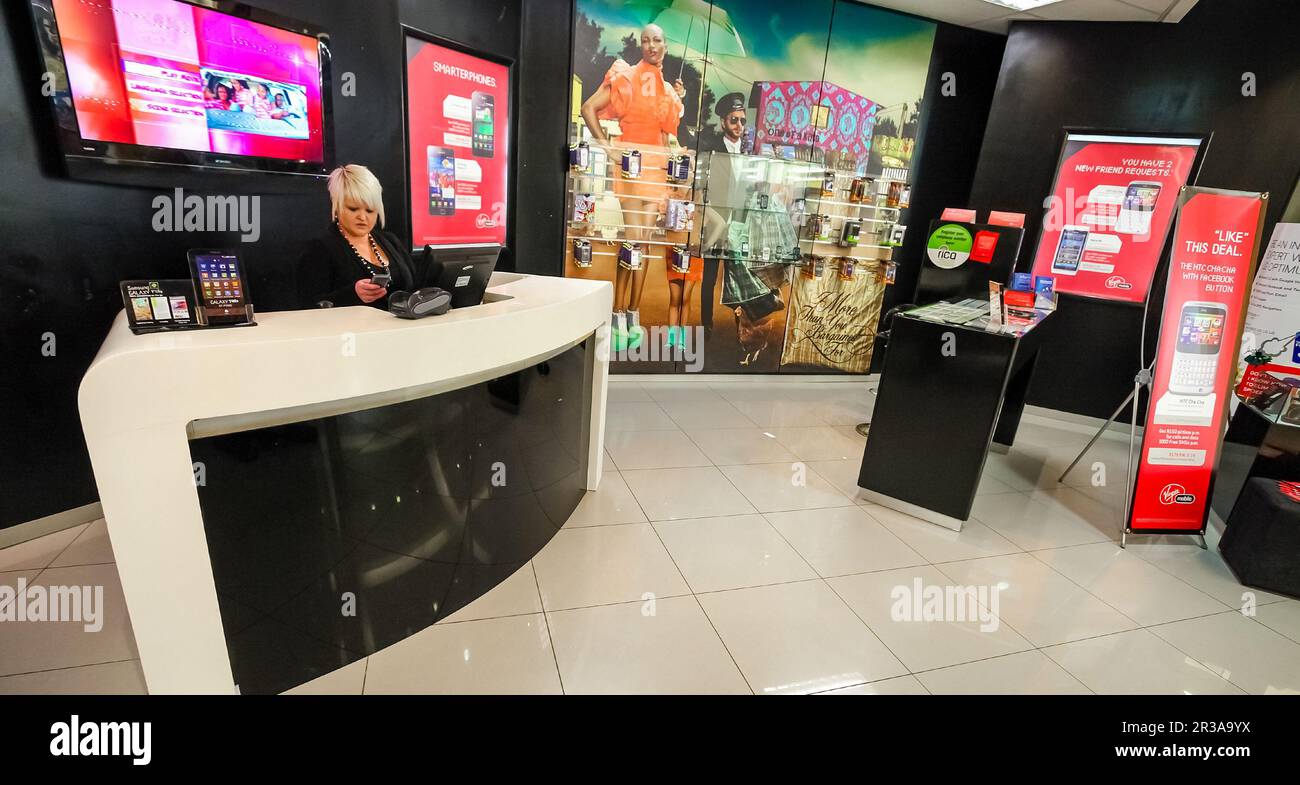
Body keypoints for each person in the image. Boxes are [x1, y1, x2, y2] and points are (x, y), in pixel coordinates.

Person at [579, 23, 685, 350]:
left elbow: (669, 136)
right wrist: (609, 149)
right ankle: (618, 312)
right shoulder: (626, 76)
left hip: (655, 172)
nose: (652, 45)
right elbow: (588, 109)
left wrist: (676, 99)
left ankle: (630, 313)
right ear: (641, 45)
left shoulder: (667, 90)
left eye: (657, 40)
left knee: (643, 245)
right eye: (646, 40)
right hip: (630, 169)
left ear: (665, 46)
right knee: (634, 241)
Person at [296, 164, 415, 310]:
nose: (362, 217)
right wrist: (350, 295)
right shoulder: (319, 249)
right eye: (353, 209)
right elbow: (307, 305)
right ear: (337, 207)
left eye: (370, 210)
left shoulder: (391, 242)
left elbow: (416, 286)